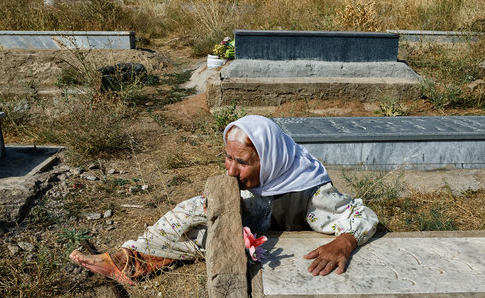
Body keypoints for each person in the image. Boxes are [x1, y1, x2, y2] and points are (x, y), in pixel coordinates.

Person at [70, 115, 378, 285]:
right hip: (246, 228)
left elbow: (363, 215)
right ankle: (128, 259)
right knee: (190, 212)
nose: (230, 170)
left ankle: (133, 261)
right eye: (227, 157)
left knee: (201, 239)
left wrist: (344, 242)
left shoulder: (309, 190)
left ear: (269, 160)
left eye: (242, 162)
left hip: (266, 241)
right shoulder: (246, 179)